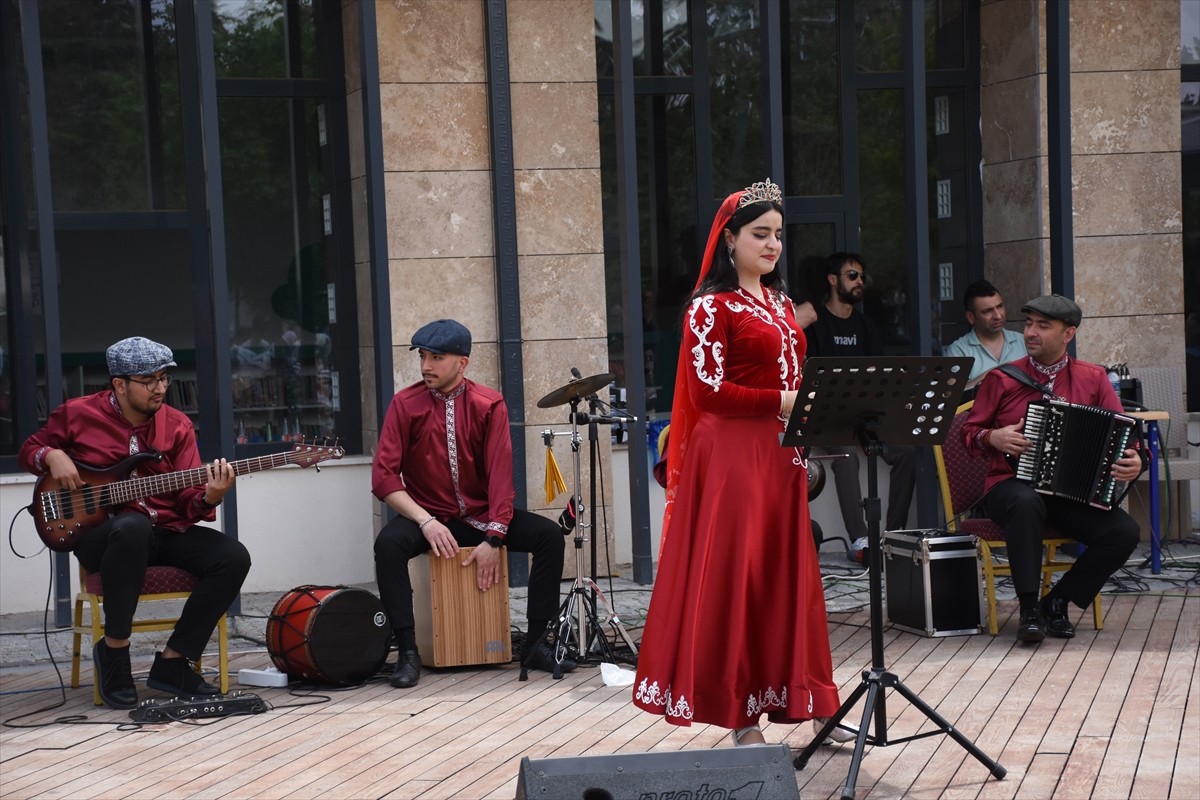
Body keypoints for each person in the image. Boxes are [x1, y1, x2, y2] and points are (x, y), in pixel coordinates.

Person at [631, 179, 850, 747]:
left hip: (780, 455)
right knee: (738, 578)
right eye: (760, 234)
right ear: (729, 239)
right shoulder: (709, 307)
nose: (773, 244)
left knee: (782, 580)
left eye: (778, 234)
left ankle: (803, 699)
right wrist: (783, 402)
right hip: (729, 456)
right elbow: (706, 393)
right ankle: (738, 717)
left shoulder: (780, 303)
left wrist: (801, 415)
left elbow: (793, 377)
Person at [18, 337, 251, 709]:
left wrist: (211, 496)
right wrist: (52, 455)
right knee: (131, 528)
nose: (160, 388)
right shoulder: (77, 414)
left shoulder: (176, 426)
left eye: (164, 379)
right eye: (150, 380)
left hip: (163, 530)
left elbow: (187, 500)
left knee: (232, 555)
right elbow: (28, 450)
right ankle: (115, 652)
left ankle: (174, 662)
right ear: (119, 385)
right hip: (100, 537)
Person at [372, 319, 574, 688]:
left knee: (548, 536)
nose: (425, 366)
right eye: (422, 356)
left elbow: (501, 477)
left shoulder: (489, 404)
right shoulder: (405, 405)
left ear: (462, 363)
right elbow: (384, 478)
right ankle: (407, 652)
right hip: (431, 516)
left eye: (436, 357)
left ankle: (535, 645)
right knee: (387, 545)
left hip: (483, 517)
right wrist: (424, 521)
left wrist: (494, 539)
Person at [963, 294, 1143, 642]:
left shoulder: (1093, 378)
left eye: (1043, 326)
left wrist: (1134, 459)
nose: (1031, 332)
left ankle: (1056, 602)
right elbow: (968, 435)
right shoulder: (1003, 378)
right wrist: (992, 437)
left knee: (1124, 532)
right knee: (1026, 501)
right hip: (1008, 487)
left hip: (1067, 493)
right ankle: (1029, 608)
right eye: (1029, 323)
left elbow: (1124, 434)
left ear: (1068, 334)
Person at [804, 252, 916, 548]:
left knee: (906, 452)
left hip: (866, 415)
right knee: (846, 456)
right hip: (828, 414)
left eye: (862, 277)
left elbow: (878, 376)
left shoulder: (866, 326)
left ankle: (895, 535)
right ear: (832, 280)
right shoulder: (816, 322)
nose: (860, 282)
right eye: (852, 275)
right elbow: (810, 376)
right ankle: (860, 539)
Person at [945, 280, 1026, 387]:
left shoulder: (1024, 341)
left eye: (1000, 306)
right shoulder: (958, 351)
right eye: (988, 311)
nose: (998, 316)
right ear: (971, 317)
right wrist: (996, 373)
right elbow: (952, 395)